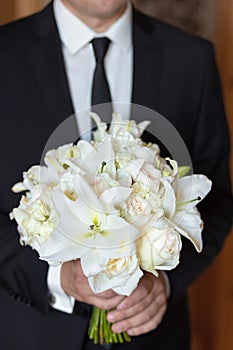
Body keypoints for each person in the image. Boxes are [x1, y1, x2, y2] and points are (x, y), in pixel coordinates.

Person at [0, 0, 232, 349]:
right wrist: (58, 277)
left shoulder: (191, 59)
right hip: (30, 334)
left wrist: (164, 283)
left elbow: (215, 203)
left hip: (153, 338)